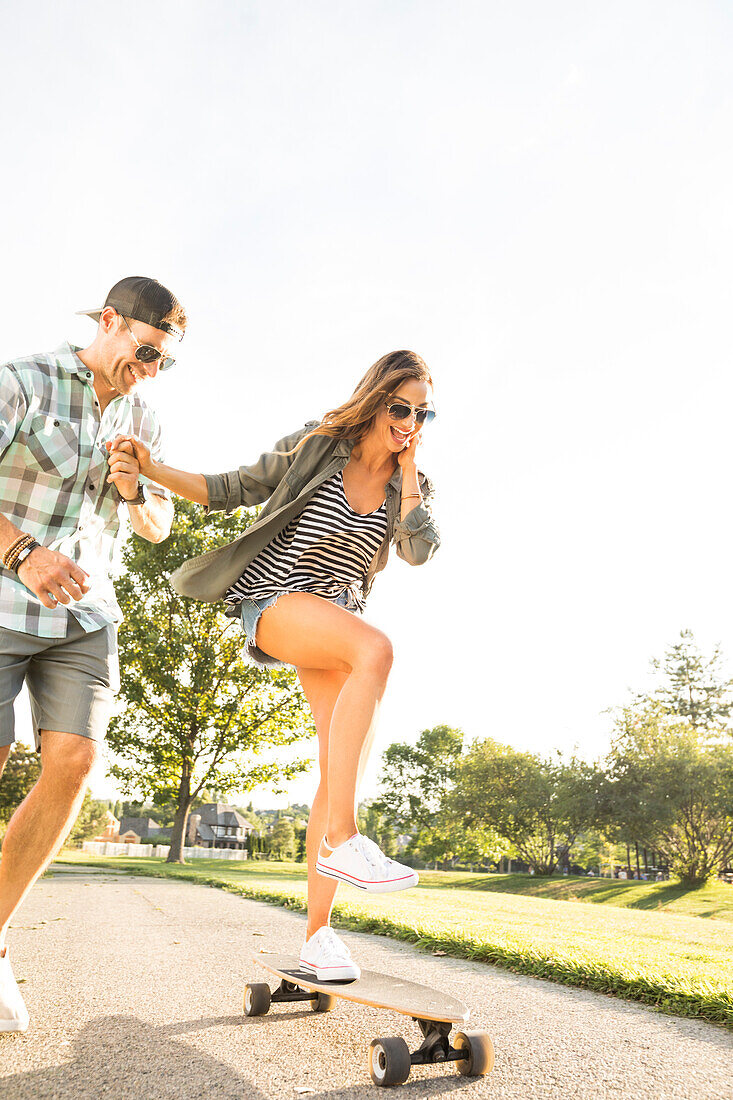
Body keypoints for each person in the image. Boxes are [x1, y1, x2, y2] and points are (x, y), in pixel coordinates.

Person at [111, 349, 439, 980]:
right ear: (375, 400)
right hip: (277, 599)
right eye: (401, 408)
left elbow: (418, 550)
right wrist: (154, 468)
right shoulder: (318, 445)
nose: (410, 421)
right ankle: (346, 841)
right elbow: (235, 488)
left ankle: (318, 938)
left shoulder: (409, 479)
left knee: (337, 772)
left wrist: (413, 472)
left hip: (335, 618)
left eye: (424, 413)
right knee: (378, 649)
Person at [0, 277, 184, 1031]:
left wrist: (138, 489)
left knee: (72, 760)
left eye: (164, 362)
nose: (148, 369)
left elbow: (157, 529)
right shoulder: (24, 381)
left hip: (85, 608)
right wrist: (20, 553)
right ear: (110, 321)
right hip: (5, 589)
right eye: (144, 351)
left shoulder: (144, 416)